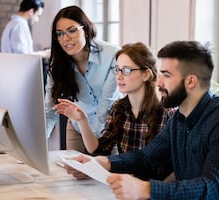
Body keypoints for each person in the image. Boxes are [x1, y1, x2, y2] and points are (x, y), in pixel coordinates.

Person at [66, 41, 219, 199]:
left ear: (190, 81)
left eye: (166, 75)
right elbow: (146, 157)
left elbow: (211, 187)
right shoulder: (178, 120)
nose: (158, 82)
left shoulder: (215, 119)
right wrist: (103, 162)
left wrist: (146, 189)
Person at [53, 42, 175, 156]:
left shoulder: (167, 113)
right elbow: (98, 149)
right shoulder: (119, 108)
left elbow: (172, 166)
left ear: (146, 75)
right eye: (117, 69)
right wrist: (82, 120)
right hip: (124, 178)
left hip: (151, 179)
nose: (119, 76)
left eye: (126, 70)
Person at [45, 6, 121, 152]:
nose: (65, 38)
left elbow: (107, 103)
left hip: (110, 128)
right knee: (72, 172)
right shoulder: (58, 66)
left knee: (108, 172)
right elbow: (50, 110)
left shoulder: (112, 54)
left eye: (72, 30)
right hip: (77, 126)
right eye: (59, 34)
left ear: (85, 30)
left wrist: (94, 145)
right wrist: (37, 145)